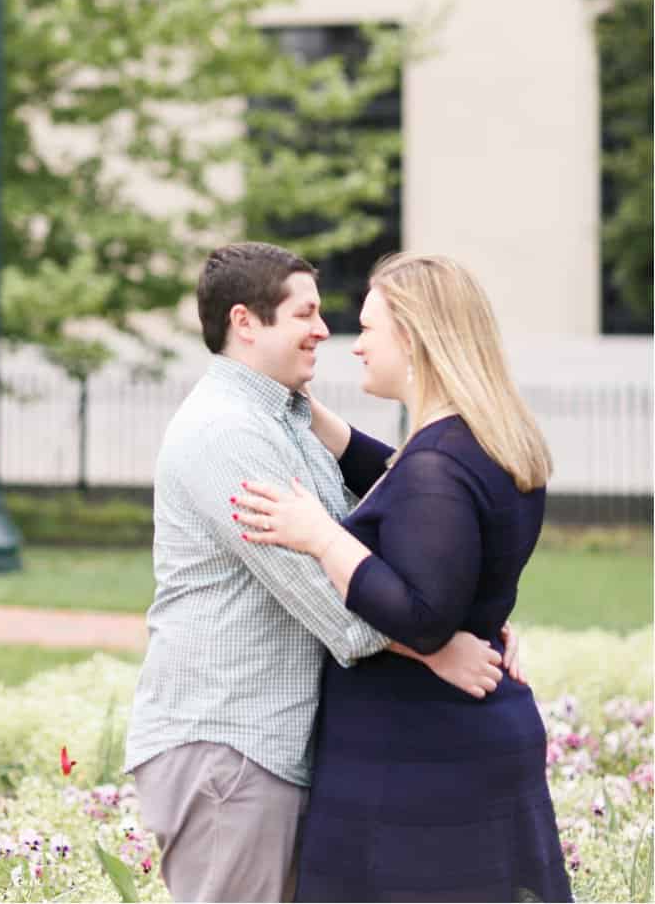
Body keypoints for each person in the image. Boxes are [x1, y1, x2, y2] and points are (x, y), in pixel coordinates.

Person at [125, 242, 513, 904]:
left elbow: (398, 512)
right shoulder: (228, 432)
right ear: (246, 323)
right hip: (230, 745)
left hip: (267, 748)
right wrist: (438, 647)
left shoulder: (287, 418)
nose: (324, 330)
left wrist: (477, 611)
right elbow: (322, 593)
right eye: (306, 312)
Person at [234, 252, 572, 903]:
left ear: (412, 338)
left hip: (417, 763)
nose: (354, 344)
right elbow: (393, 479)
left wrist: (320, 534)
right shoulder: (475, 443)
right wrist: (310, 412)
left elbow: (422, 613)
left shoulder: (437, 468)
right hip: (457, 742)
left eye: (368, 328)